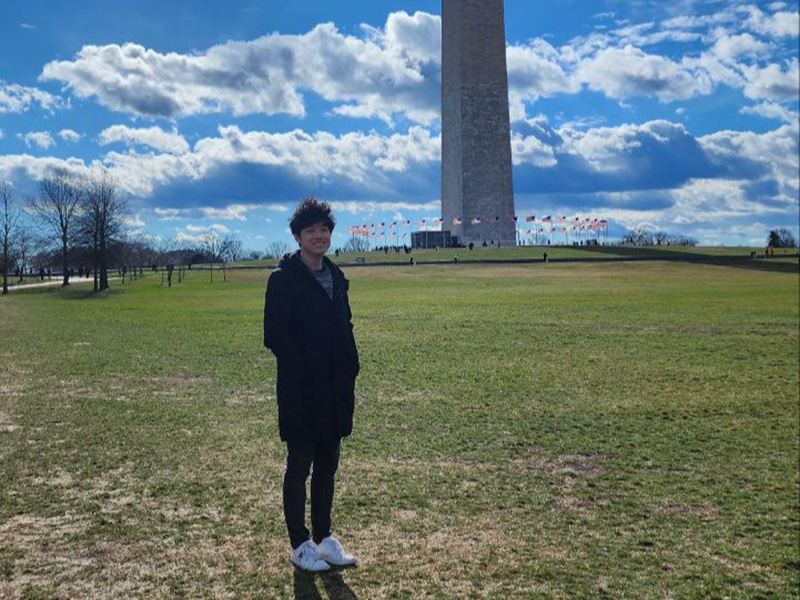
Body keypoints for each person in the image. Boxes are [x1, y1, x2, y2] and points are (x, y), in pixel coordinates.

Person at [263, 197, 360, 572]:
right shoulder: (283, 279)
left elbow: (345, 326)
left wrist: (351, 363)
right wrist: (303, 368)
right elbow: (275, 335)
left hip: (335, 386)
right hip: (302, 388)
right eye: (310, 230)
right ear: (298, 236)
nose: (318, 236)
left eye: (324, 229)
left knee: (328, 466)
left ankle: (324, 538)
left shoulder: (336, 277)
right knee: (299, 466)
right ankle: (299, 544)